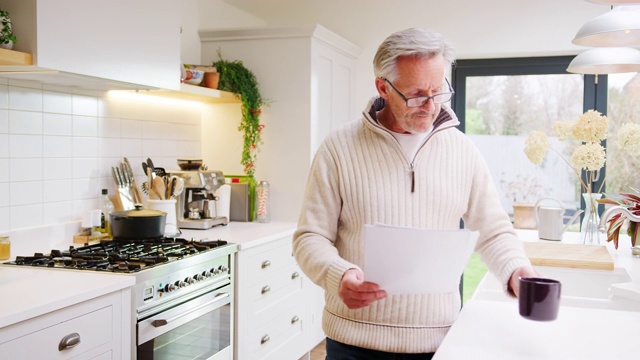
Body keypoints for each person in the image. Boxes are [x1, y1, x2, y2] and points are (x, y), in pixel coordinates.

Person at [292, 28, 538, 359]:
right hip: (354, 345)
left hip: (439, 343)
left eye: (438, 91)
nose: (430, 105)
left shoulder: (463, 151)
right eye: (417, 94)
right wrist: (338, 276)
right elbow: (309, 238)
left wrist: (517, 271)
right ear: (383, 87)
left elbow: (493, 232)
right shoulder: (338, 148)